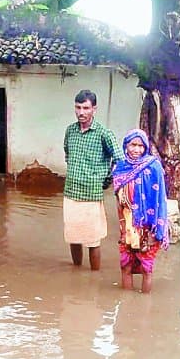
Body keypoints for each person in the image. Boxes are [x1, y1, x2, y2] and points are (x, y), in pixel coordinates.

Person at [62, 89, 122, 271]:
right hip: (71, 192)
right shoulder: (70, 131)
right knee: (73, 237)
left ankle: (93, 279)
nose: (81, 112)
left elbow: (119, 160)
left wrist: (107, 179)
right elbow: (67, 154)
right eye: (78, 107)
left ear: (94, 109)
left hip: (92, 194)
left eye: (86, 108)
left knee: (92, 240)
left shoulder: (104, 133)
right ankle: (77, 273)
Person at [112, 129, 169, 293]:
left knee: (146, 269)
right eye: (132, 145)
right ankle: (126, 305)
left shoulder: (153, 167)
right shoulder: (120, 168)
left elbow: (160, 200)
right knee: (125, 266)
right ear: (126, 146)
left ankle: (144, 309)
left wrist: (154, 230)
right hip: (128, 225)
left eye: (140, 146)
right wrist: (122, 227)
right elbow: (119, 202)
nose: (136, 150)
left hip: (147, 227)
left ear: (145, 148)